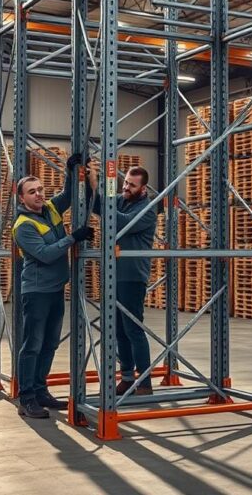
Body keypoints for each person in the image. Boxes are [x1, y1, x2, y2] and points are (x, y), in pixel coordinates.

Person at [12, 153, 93, 419]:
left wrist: (72, 170)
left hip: (56, 289)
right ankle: (27, 398)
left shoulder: (50, 209)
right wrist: (73, 237)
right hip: (36, 293)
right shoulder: (23, 226)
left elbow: (68, 195)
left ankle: (41, 390)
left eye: (40, 190)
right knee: (32, 344)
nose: (38, 195)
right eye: (32, 192)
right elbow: (46, 254)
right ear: (21, 198)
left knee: (50, 344)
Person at [87, 163, 157, 396]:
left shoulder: (147, 209)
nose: (126, 187)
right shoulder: (121, 200)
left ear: (143, 188)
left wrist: (103, 192)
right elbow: (98, 205)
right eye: (125, 182)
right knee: (118, 329)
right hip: (113, 273)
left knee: (133, 328)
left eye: (131, 185)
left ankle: (145, 382)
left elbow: (120, 221)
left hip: (132, 276)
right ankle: (127, 377)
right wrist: (91, 181)